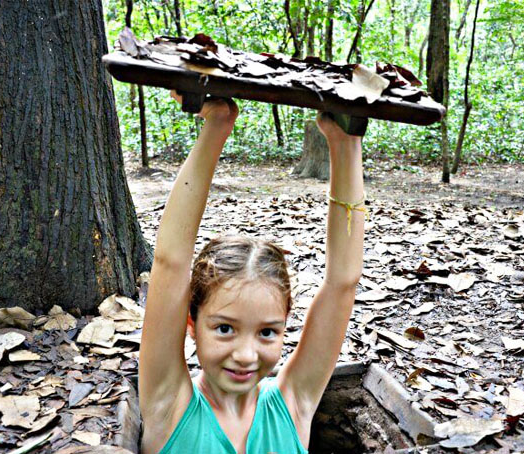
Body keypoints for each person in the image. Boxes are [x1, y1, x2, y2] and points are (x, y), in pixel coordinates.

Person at [139, 92, 365, 454]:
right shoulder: (170, 405)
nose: (246, 354)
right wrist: (216, 127)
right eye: (225, 328)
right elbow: (170, 262)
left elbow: (343, 282)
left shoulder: (293, 406)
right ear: (191, 324)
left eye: (267, 332)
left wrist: (346, 143)